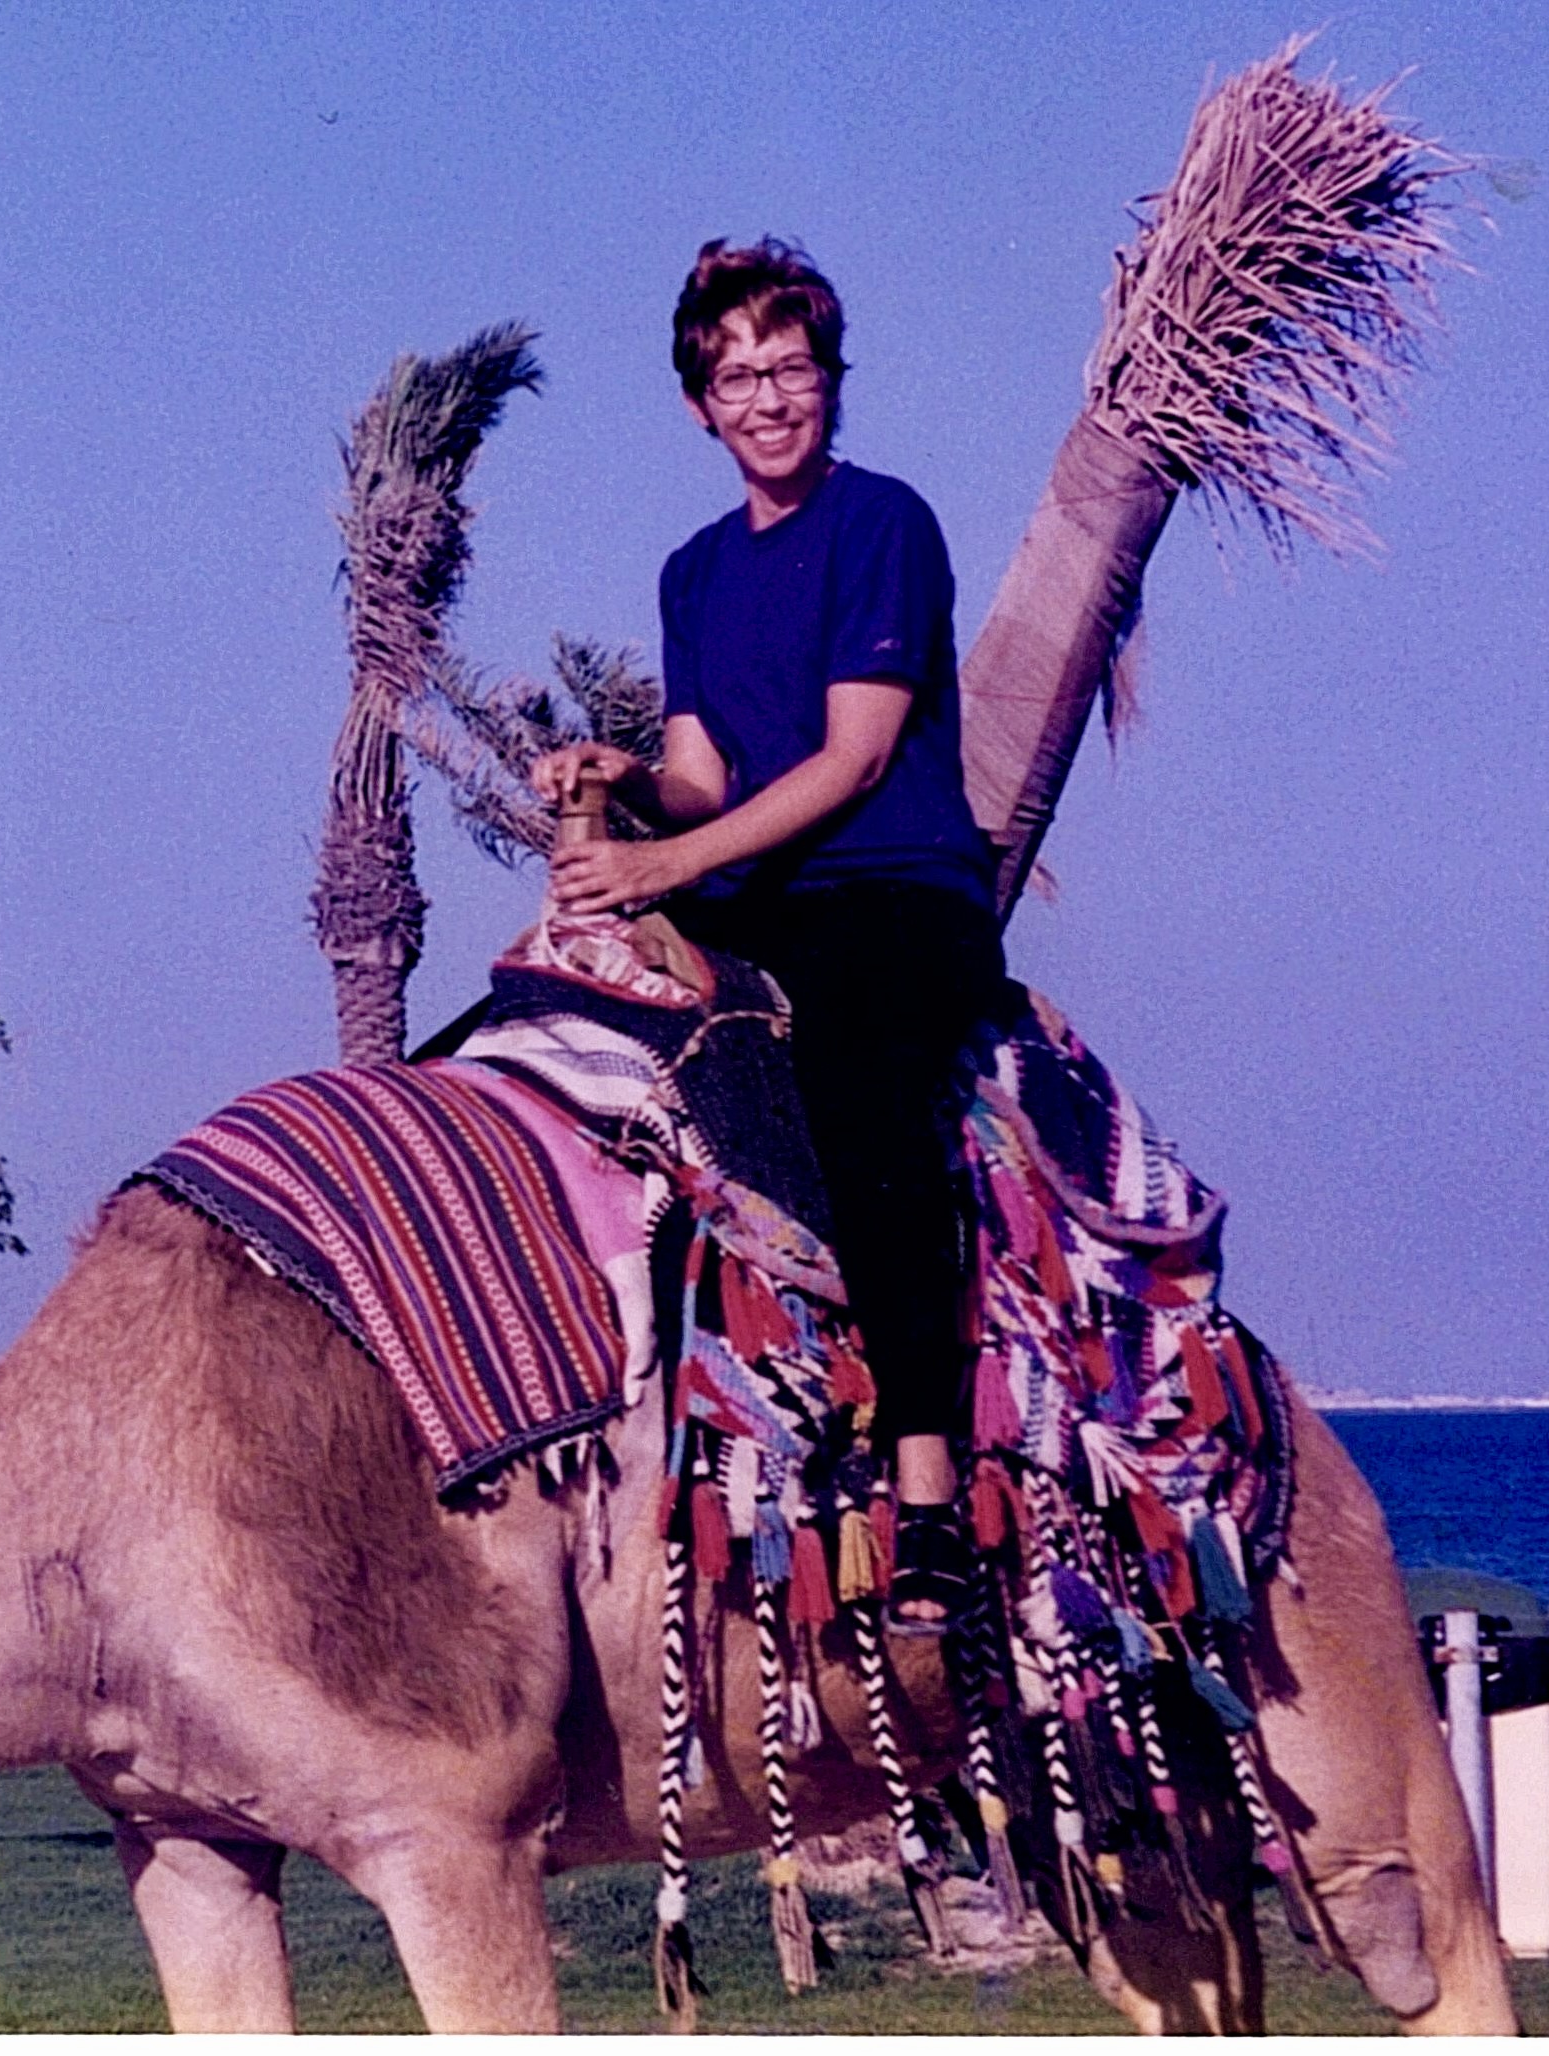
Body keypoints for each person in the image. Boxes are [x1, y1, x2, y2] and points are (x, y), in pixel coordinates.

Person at [533, 236, 1011, 1633]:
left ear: (830, 378)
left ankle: (927, 1496)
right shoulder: (692, 573)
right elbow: (702, 774)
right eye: (738, 377)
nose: (768, 398)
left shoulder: (885, 526)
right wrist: (623, 787)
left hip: (888, 886)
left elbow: (855, 760)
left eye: (790, 368)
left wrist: (671, 858)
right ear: (700, 405)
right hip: (756, 894)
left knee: (860, 1097)